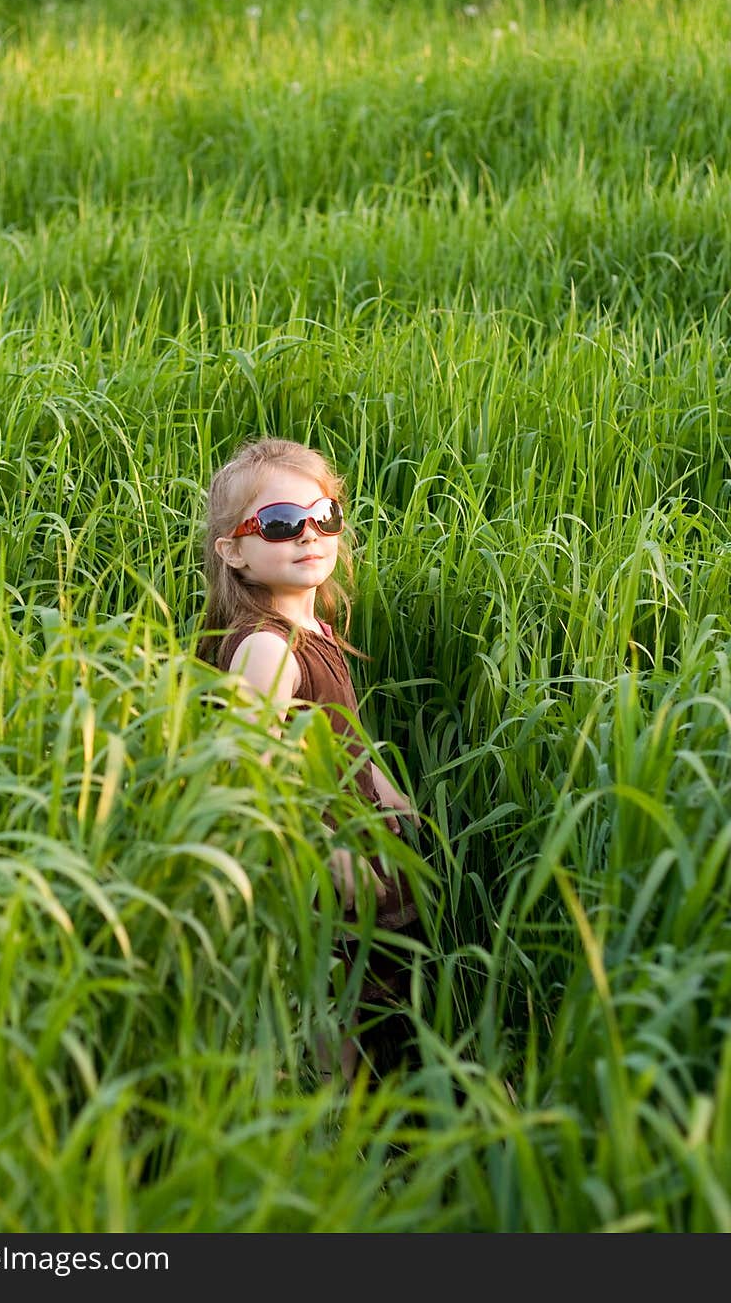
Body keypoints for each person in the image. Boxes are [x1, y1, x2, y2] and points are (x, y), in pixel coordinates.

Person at [199, 436, 422, 1082]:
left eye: (323, 516)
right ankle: (341, 1140)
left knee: (379, 1005)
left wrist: (383, 785)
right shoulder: (266, 649)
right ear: (234, 551)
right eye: (278, 524)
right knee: (340, 1008)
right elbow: (246, 767)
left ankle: (379, 1126)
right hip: (325, 866)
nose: (308, 535)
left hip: (363, 844)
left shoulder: (314, 629)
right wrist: (318, 846)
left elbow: (338, 733)